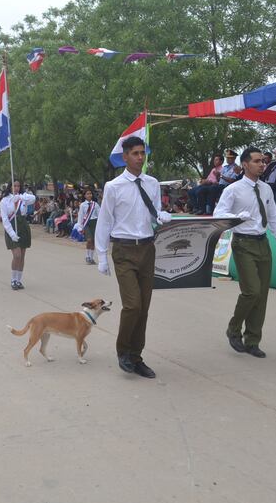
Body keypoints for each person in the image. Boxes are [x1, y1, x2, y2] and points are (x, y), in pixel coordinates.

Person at [95, 136, 172, 378]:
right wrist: (101, 255)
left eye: (142, 153)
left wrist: (161, 217)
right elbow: (105, 221)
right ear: (125, 156)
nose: (140, 157)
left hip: (148, 248)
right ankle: (123, 351)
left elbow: (153, 214)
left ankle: (137, 357)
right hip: (124, 250)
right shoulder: (114, 186)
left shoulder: (152, 183)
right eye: (135, 153)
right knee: (132, 305)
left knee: (144, 307)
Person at [214, 147, 276, 358]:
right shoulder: (233, 189)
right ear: (245, 164)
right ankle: (233, 328)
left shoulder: (266, 189)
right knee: (252, 291)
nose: (261, 165)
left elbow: (274, 216)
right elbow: (218, 214)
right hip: (243, 243)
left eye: (263, 161)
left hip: (262, 242)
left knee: (262, 294)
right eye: (257, 161)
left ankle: (253, 340)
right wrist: (237, 217)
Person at [0, 180, 36, 290]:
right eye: (14, 186)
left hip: (23, 226)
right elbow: (5, 219)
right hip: (11, 227)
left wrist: (21, 198)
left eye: (18, 186)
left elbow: (33, 199)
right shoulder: (5, 201)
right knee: (17, 255)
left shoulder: (23, 198)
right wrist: (11, 233)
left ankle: (19, 280)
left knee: (22, 256)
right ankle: (13, 279)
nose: (16, 188)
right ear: (10, 187)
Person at [74, 188, 101, 264]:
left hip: (95, 223)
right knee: (89, 240)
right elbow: (81, 216)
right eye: (87, 194)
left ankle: (91, 258)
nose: (89, 195)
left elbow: (100, 215)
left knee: (93, 241)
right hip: (86, 224)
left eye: (90, 193)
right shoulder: (82, 205)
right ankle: (87, 256)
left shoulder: (95, 204)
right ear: (85, 195)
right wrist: (80, 227)